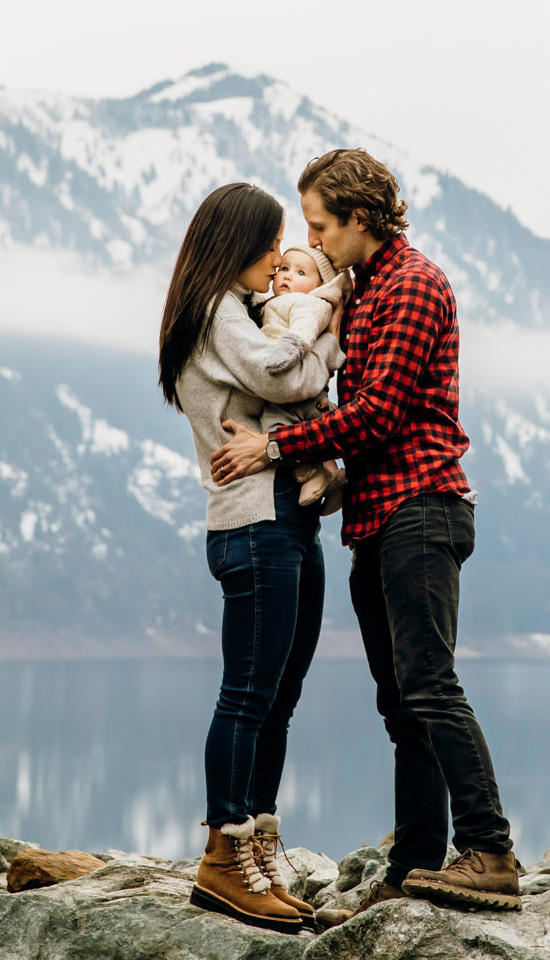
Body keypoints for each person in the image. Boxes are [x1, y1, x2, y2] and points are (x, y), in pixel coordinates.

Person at [210, 148, 520, 921]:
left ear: (358, 217)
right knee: (400, 703)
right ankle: (415, 865)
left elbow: (379, 410)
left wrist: (274, 445)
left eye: (319, 223)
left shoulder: (413, 283)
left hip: (422, 507)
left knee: (429, 684)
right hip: (379, 516)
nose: (310, 238)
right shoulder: (365, 288)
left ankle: (490, 848)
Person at [159, 182, 344, 935]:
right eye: (270, 243)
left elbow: (288, 382)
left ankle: (259, 853)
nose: (279, 259)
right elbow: (285, 376)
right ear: (235, 242)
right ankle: (223, 859)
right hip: (254, 521)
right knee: (248, 691)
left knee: (279, 694)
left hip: (287, 521)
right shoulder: (216, 312)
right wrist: (325, 331)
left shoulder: (238, 312)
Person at [255, 243, 350, 507]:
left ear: (321, 285)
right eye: (284, 268)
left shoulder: (309, 303)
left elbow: (304, 330)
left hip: (291, 376)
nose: (286, 275)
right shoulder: (279, 302)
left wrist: (290, 347)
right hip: (303, 385)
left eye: (300, 273)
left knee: (273, 426)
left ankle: (310, 474)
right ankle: (332, 476)